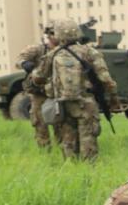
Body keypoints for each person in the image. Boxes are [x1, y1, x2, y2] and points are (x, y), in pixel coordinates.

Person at [31, 18, 118, 161]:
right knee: (88, 139)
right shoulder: (89, 52)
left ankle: (71, 171)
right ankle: (89, 174)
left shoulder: (53, 54)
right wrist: (113, 99)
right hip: (86, 103)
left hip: (62, 105)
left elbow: (38, 77)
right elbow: (106, 79)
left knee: (67, 141)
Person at [15, 23, 59, 149]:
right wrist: (25, 63)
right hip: (39, 93)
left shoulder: (64, 50)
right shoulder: (38, 49)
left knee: (61, 123)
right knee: (40, 123)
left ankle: (63, 150)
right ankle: (45, 151)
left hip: (57, 93)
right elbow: (19, 59)